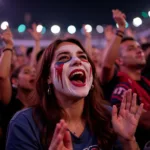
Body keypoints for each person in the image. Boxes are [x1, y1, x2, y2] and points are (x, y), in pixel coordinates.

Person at [6, 38, 143, 150]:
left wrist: (128, 141)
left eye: (83, 57)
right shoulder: (25, 123)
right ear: (48, 76)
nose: (77, 61)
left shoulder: (109, 117)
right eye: (64, 57)